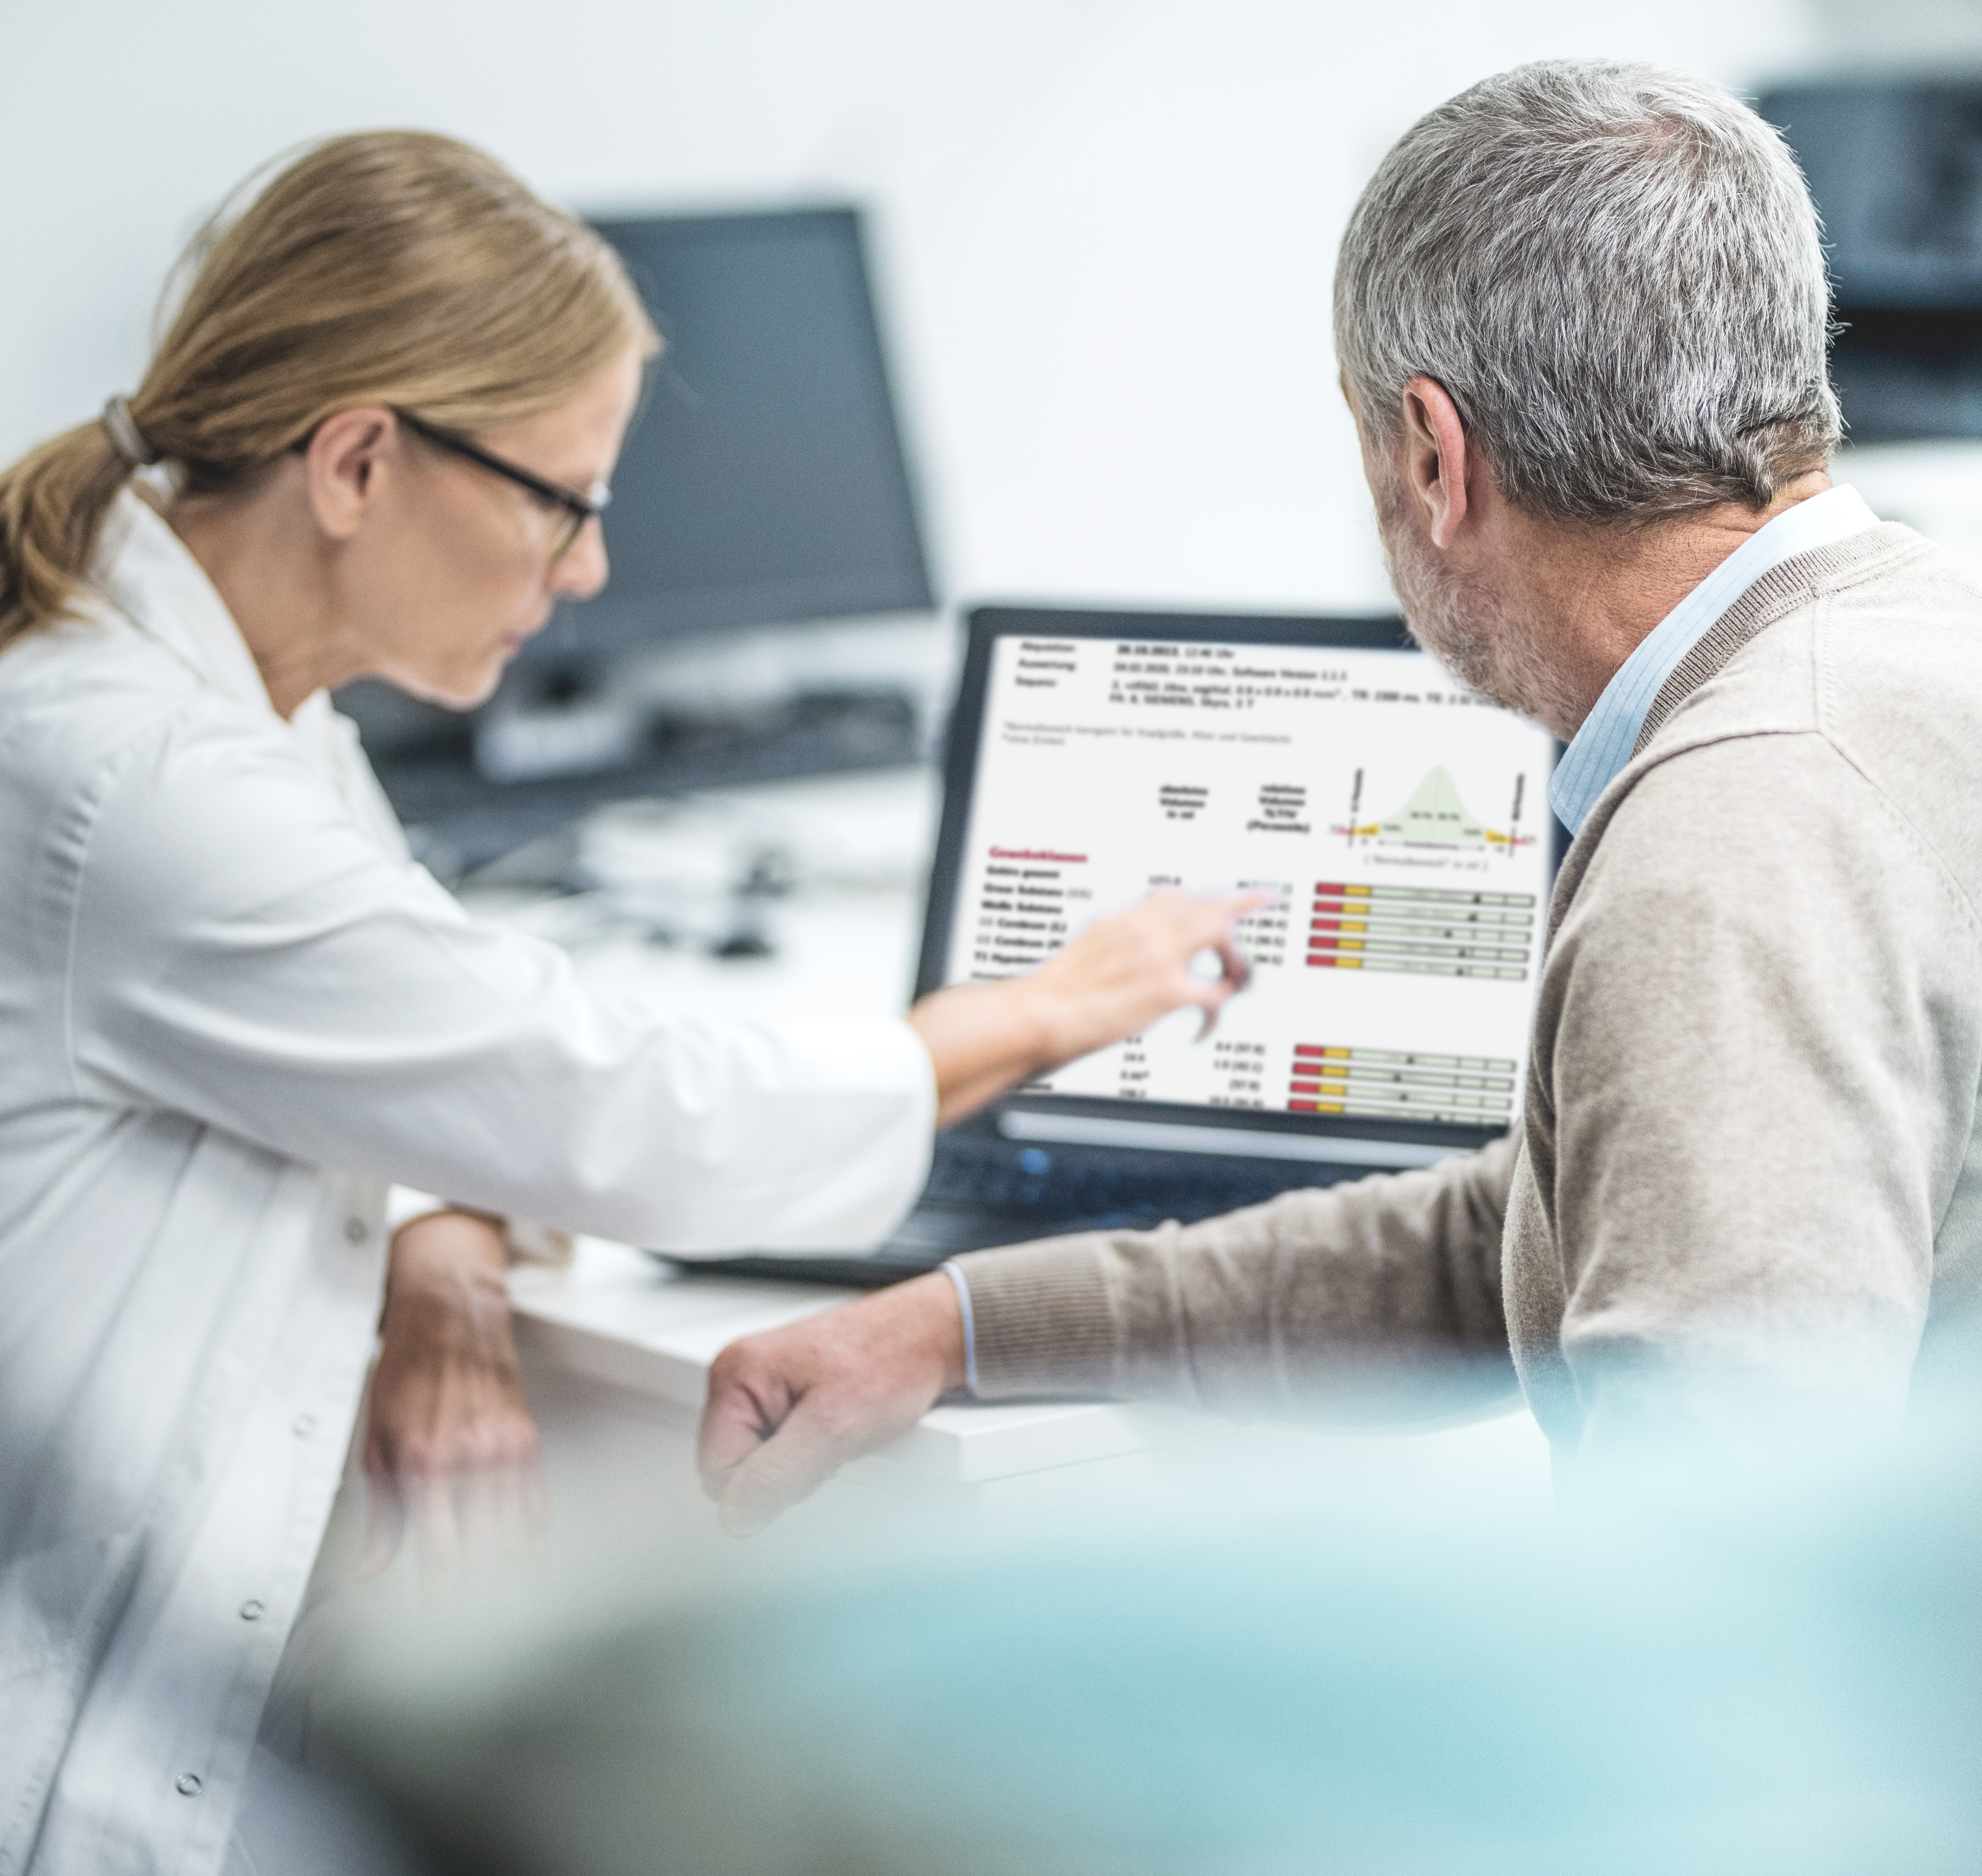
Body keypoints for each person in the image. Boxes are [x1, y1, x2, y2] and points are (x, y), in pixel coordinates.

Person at [0, 132, 1258, 1876]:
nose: (589, 570)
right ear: (358, 459)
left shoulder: (246, 708)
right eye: (562, 501)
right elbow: (611, 1103)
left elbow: (407, 1016)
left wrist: (439, 1265)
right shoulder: (126, 775)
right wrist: (1046, 1010)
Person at [698, 57, 1982, 1523]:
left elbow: (1719, 1555)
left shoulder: (1741, 827)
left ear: (1431, 453)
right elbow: (1533, 1228)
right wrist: (956, 1325)